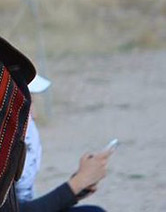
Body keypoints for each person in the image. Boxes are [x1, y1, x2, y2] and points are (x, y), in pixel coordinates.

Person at [15, 75, 110, 212]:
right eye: (26, 103)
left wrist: (80, 185)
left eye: (33, 101)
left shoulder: (28, 131)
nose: (34, 114)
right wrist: (77, 184)